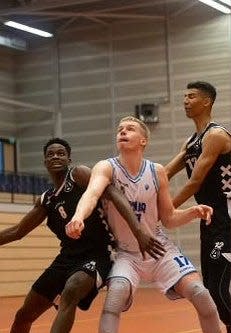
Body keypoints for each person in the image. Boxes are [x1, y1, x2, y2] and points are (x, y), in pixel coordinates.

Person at [66, 116, 222, 333]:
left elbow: (168, 218)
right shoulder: (106, 167)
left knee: (201, 294)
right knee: (114, 299)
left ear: (143, 141)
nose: (123, 132)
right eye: (120, 129)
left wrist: (192, 213)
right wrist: (78, 216)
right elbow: (92, 194)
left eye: (130, 129)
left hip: (159, 249)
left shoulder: (156, 171)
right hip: (127, 253)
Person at [0, 137, 165, 333]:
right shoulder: (47, 199)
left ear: (69, 159)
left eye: (61, 153)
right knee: (23, 315)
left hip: (100, 253)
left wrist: (138, 231)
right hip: (67, 258)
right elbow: (17, 231)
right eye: (50, 154)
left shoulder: (78, 174)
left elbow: (113, 193)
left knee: (71, 291)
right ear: (45, 162)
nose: (55, 156)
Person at [165, 81, 231, 333]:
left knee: (217, 289)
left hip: (227, 220)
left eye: (191, 96)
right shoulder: (192, 140)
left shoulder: (215, 135)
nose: (185, 100)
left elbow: (194, 182)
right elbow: (166, 172)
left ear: (206, 102)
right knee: (211, 291)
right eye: (184, 96)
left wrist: (166, 211)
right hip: (211, 221)